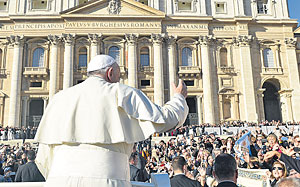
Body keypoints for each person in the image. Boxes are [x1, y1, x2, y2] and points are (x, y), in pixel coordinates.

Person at [34, 55, 189, 187]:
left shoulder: (58, 98)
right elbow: (165, 119)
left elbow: (43, 158)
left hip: (59, 181)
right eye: (118, 75)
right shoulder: (121, 92)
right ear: (110, 73)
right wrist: (179, 98)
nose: (118, 80)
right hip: (107, 180)